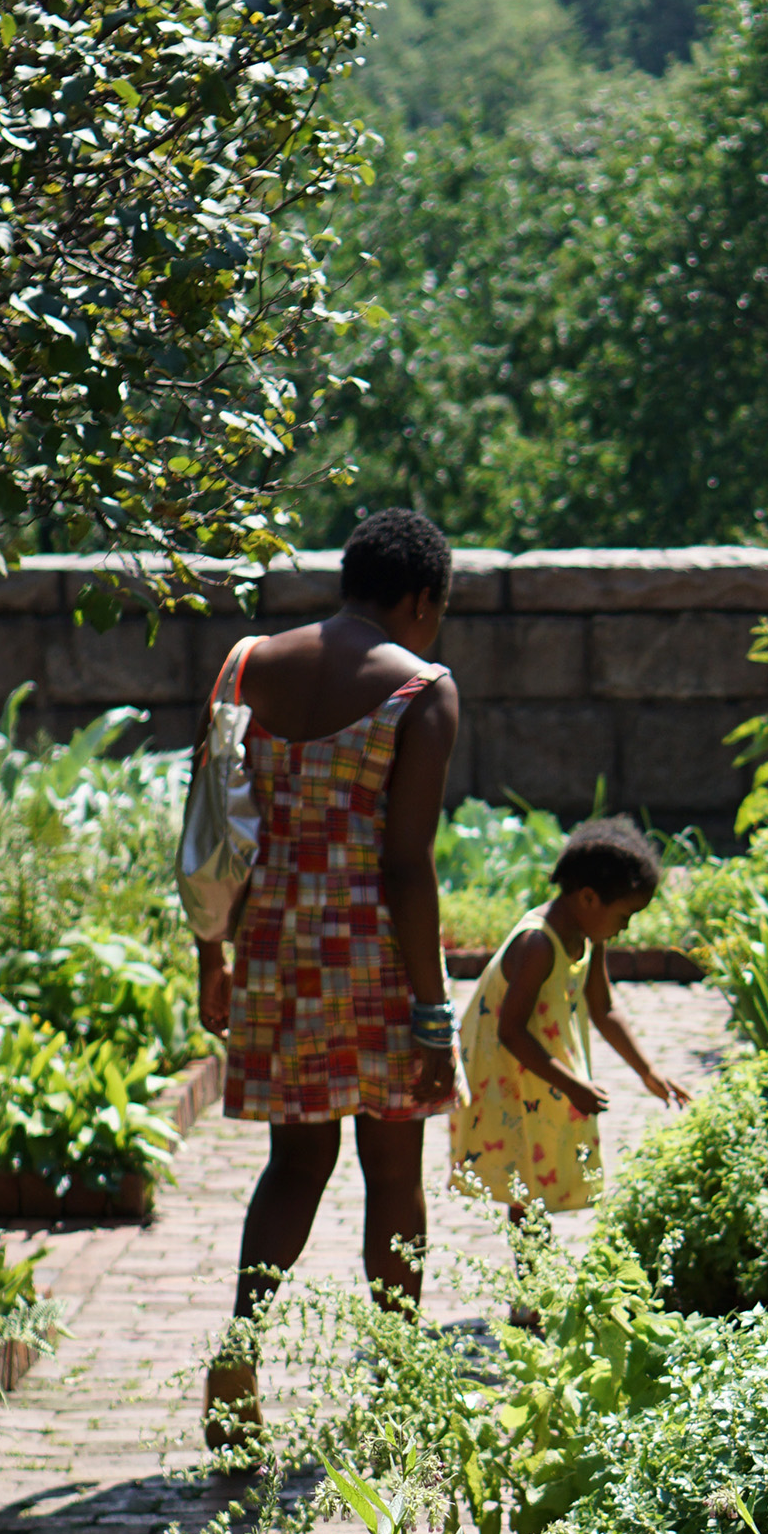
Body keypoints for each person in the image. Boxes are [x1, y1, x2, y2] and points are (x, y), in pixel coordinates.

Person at [196, 508, 460, 1445]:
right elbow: (406, 867)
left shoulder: (246, 665)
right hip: (372, 956)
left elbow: (213, 828)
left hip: (273, 947)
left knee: (293, 1166)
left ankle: (238, 1361)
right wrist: (435, 1021)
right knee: (393, 1170)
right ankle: (398, 1386)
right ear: (420, 599)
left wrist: (210, 953)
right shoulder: (422, 689)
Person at [451, 814, 691, 1223]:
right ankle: (535, 1284)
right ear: (588, 898)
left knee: (538, 1184)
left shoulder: (588, 936)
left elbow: (604, 1008)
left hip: (543, 1071)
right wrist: (571, 1084)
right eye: (624, 916)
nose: (625, 928)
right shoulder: (538, 944)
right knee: (526, 1192)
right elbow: (510, 1030)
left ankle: (537, 1280)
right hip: (511, 1075)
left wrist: (647, 1071)